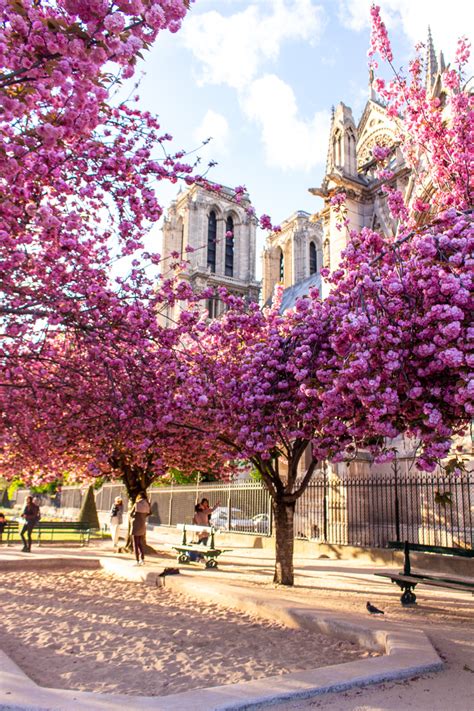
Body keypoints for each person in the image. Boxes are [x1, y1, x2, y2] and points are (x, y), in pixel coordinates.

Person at [130, 492, 150, 566]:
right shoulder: (147, 505)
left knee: (135, 543)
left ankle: (137, 561)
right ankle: (142, 559)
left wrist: (134, 516)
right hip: (142, 525)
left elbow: (131, 514)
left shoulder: (137, 504)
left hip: (135, 525)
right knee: (140, 543)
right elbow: (149, 513)